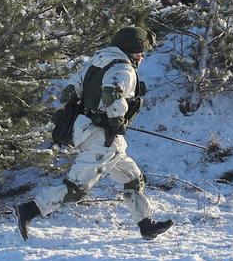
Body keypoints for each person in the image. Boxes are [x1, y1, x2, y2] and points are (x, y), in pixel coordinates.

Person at [16, 25, 174, 241]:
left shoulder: (97, 62)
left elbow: (70, 91)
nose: (142, 57)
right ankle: (30, 210)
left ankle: (146, 224)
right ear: (131, 51)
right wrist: (117, 120)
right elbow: (111, 92)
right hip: (102, 139)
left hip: (94, 132)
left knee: (132, 178)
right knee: (76, 189)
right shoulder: (124, 70)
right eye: (140, 52)